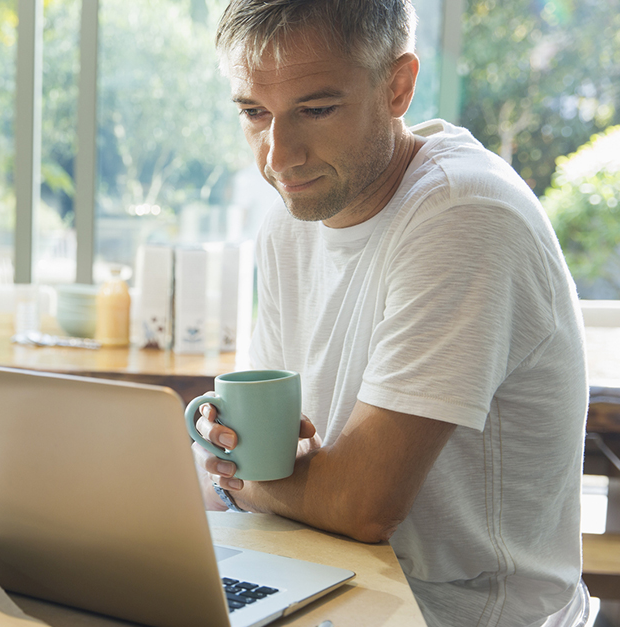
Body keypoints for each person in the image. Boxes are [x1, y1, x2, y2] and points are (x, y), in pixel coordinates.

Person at [192, 1, 590, 626]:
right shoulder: (290, 219)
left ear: (398, 86)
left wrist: (235, 479)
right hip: (328, 580)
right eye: (254, 113)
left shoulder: (466, 215)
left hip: (459, 614)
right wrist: (241, 469)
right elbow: (266, 456)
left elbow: (360, 505)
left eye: (316, 109)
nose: (279, 156)